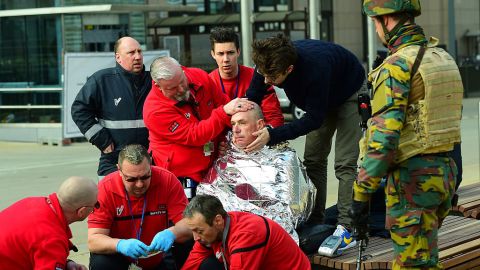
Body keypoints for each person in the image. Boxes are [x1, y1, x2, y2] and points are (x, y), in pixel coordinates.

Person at [350, 0, 463, 269]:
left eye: (375, 23)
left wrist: (360, 195)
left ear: (386, 20)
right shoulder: (442, 58)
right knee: (424, 260)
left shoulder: (396, 66)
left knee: (414, 265)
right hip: (444, 176)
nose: (376, 29)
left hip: (412, 182)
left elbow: (383, 139)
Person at [245, 34, 366, 230]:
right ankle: (315, 222)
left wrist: (273, 135)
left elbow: (313, 120)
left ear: (289, 69)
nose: (266, 80)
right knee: (313, 159)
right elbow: (253, 97)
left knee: (344, 163)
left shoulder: (315, 69)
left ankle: (346, 226)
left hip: (349, 91)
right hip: (322, 97)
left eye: (272, 78)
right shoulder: (267, 62)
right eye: (263, 74)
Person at [198, 104, 316, 243]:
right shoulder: (224, 162)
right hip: (227, 241)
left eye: (242, 123)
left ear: (260, 125)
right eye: (233, 124)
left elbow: (294, 211)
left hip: (269, 240)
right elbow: (204, 203)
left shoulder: (284, 160)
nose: (235, 130)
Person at [143, 56, 255, 198]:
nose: (182, 89)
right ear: (158, 86)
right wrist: (223, 112)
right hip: (181, 175)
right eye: (172, 88)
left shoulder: (199, 76)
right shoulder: (154, 111)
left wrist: (224, 139)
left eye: (182, 81)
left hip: (211, 166)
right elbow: (195, 135)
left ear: (182, 69)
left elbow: (222, 103)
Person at [87, 144, 193, 270]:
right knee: (101, 263)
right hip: (119, 256)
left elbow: (189, 224)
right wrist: (120, 245)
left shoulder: (167, 180)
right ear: (119, 171)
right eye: (131, 179)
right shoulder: (105, 188)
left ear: (151, 166)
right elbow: (94, 240)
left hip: (157, 253)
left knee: (190, 242)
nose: (139, 184)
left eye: (145, 177)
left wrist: (172, 233)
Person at [71, 36, 151, 178]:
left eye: (139, 52)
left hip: (150, 161)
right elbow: (79, 110)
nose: (137, 57)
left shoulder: (153, 81)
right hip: (113, 161)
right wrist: (100, 138)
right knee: (108, 199)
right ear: (118, 57)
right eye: (131, 53)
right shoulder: (102, 80)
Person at [181, 195, 311, 270]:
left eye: (199, 231)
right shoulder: (212, 230)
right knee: (205, 265)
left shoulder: (246, 236)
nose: (195, 237)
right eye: (193, 231)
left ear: (218, 221)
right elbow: (191, 265)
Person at [0, 176, 98, 270]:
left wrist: (65, 262)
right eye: (96, 205)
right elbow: (47, 243)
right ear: (82, 211)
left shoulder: (31, 202)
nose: (96, 208)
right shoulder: (52, 239)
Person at [208, 26, 284, 128]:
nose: (226, 59)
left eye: (230, 53)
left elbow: (274, 117)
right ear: (213, 54)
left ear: (238, 52)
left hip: (255, 139)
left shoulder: (258, 76)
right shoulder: (207, 82)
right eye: (220, 54)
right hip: (222, 142)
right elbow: (205, 121)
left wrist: (262, 137)